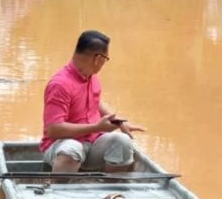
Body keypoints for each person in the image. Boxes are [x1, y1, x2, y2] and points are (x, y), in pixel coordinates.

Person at [39, 30, 145, 174]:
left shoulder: (91, 77)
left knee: (122, 142)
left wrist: (120, 122)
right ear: (98, 59)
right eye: (105, 59)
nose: (103, 64)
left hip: (91, 144)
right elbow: (53, 130)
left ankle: (110, 190)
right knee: (72, 149)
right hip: (61, 147)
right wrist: (96, 127)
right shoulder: (60, 84)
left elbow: (96, 102)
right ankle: (62, 192)